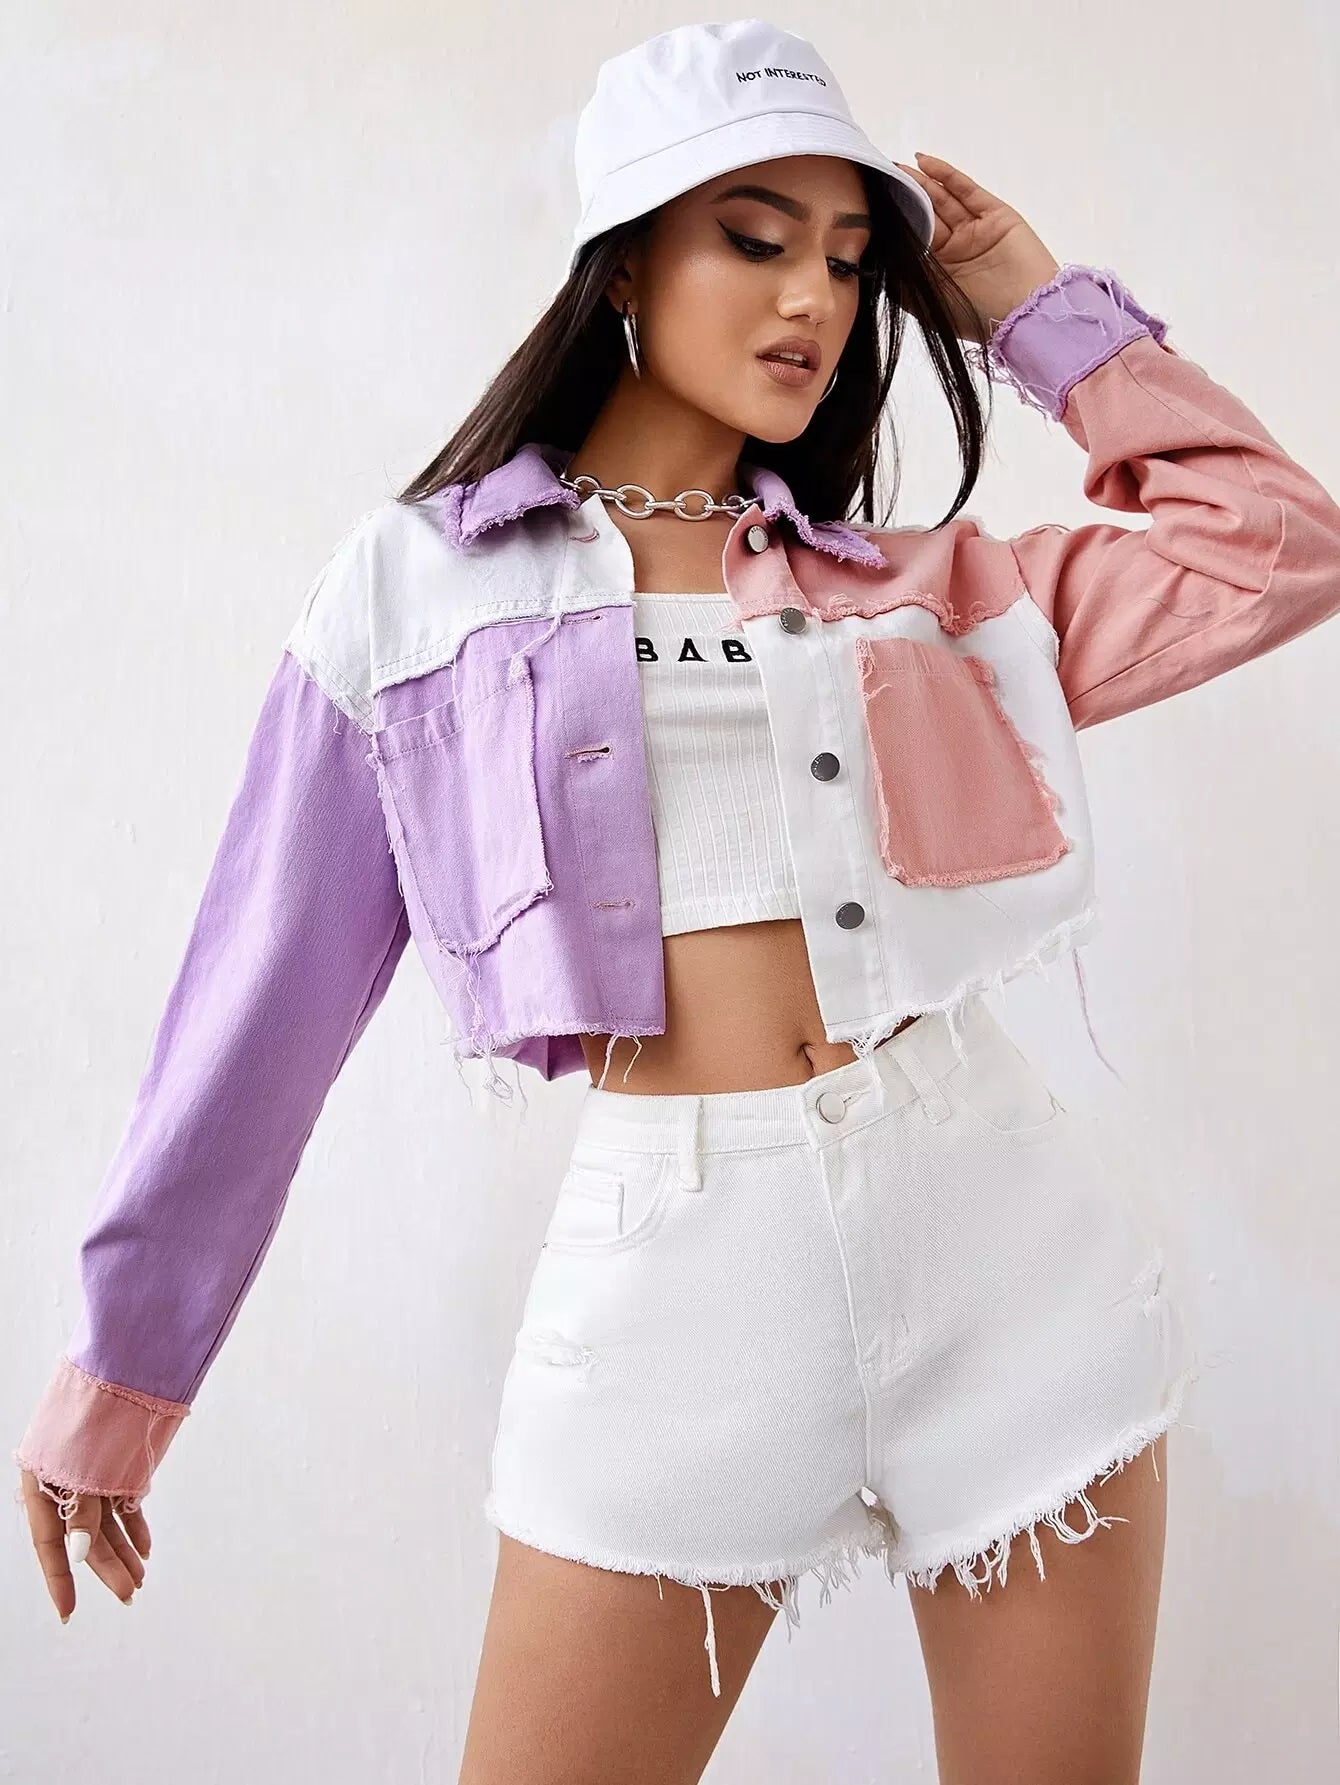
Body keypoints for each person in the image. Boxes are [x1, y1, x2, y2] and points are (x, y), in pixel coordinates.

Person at [16, 16, 1340, 1781]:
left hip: (1015, 1257)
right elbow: (257, 1012)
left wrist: (1035, 307)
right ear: (625, 260)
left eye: (852, 261)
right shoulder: (416, 591)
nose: (815, 299)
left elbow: (1279, 542)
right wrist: (121, 1382)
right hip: (678, 1285)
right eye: (757, 237)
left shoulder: (933, 591)